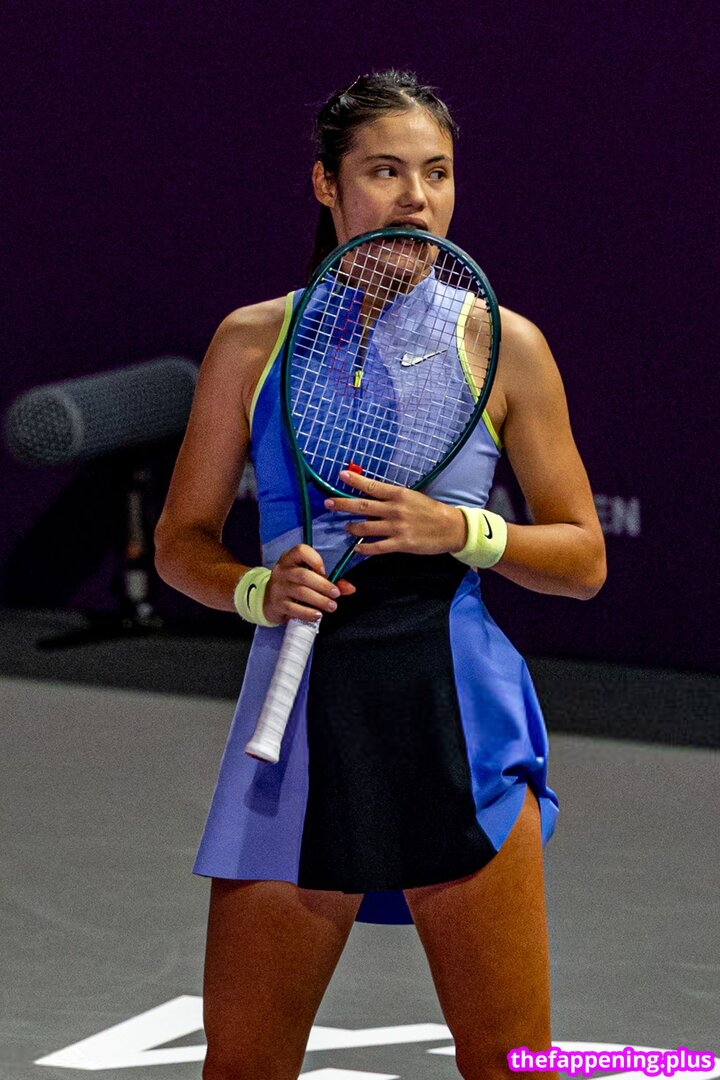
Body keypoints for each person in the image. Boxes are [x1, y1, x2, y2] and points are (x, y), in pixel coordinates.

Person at [154, 70, 606, 1080]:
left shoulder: (504, 345)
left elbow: (583, 558)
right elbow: (181, 541)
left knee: (512, 1066)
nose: (416, 199)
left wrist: (463, 530)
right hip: (296, 732)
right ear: (327, 184)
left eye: (437, 173)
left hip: (461, 730)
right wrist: (254, 589)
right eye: (385, 172)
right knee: (242, 1067)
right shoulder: (251, 342)